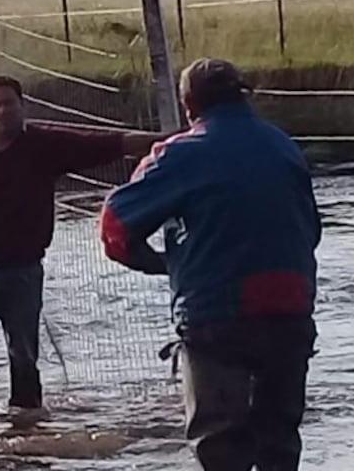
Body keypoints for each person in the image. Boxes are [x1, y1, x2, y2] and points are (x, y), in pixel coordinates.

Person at [98, 58, 320, 471]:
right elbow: (312, 230)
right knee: (280, 440)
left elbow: (115, 225)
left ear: (188, 106)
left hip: (216, 314)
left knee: (220, 445)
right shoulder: (282, 145)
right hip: (290, 307)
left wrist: (161, 264)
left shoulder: (181, 153)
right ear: (243, 94)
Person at [0, 74, 162, 423]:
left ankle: (28, 433)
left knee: (23, 357)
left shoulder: (42, 145)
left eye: (9, 103)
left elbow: (107, 144)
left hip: (23, 273)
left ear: (23, 107)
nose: (2, 111)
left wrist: (168, 141)